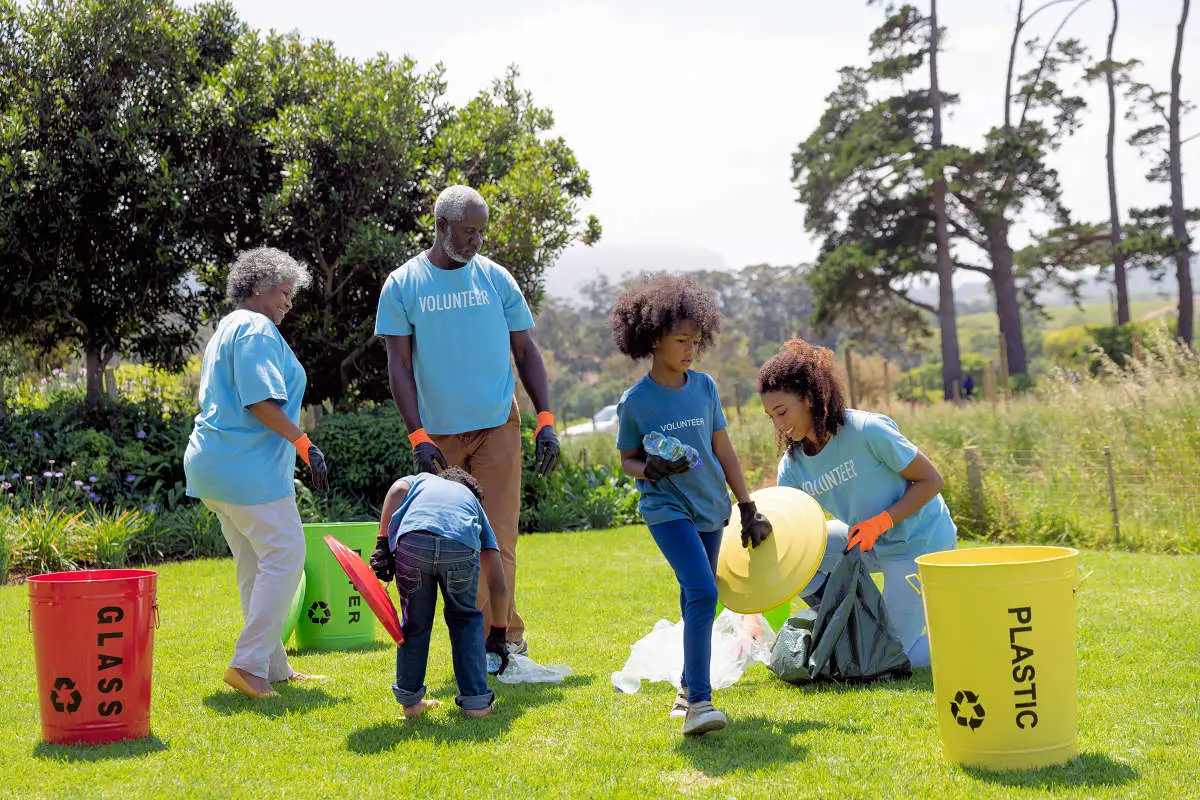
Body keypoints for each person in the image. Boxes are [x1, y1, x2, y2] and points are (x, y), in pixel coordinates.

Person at [375, 185, 559, 657]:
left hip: (498, 423)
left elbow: (525, 351)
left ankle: (503, 639)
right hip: (438, 437)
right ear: (441, 227)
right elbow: (398, 364)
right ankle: (467, 640)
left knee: (498, 537)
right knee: (447, 540)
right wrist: (417, 435)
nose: (477, 240)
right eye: (468, 231)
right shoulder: (403, 284)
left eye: (481, 231)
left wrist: (546, 419)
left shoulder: (496, 279)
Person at [610, 275, 772, 736]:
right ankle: (700, 702)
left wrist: (747, 506)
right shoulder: (636, 401)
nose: (689, 350)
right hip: (667, 510)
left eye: (694, 341)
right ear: (654, 339)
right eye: (680, 340)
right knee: (703, 591)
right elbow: (626, 460)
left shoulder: (704, 388)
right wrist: (651, 469)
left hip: (710, 507)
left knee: (692, 595)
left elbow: (724, 448)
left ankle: (685, 687)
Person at [757, 338, 957, 668]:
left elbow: (931, 481)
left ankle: (971, 634)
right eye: (770, 417)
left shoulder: (866, 430)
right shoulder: (792, 467)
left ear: (808, 398)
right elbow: (787, 539)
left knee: (890, 657)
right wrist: (753, 610)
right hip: (865, 540)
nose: (778, 425)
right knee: (794, 556)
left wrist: (881, 522)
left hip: (919, 544)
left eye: (782, 412)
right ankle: (851, 624)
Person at [184, 247, 330, 699]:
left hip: (218, 466)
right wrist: (304, 443)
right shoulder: (254, 327)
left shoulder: (228, 327)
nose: (289, 303)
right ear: (257, 288)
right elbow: (259, 400)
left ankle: (272, 666)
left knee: (255, 565)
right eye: (284, 293)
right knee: (285, 556)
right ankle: (248, 666)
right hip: (246, 469)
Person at [368, 467, 509, 719]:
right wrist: (498, 632)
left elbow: (398, 489)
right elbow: (498, 582)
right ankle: (477, 705)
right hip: (459, 545)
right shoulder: (472, 504)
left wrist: (382, 543)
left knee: (414, 623)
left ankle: (411, 704)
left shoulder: (423, 481)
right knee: (465, 620)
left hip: (413, 541)